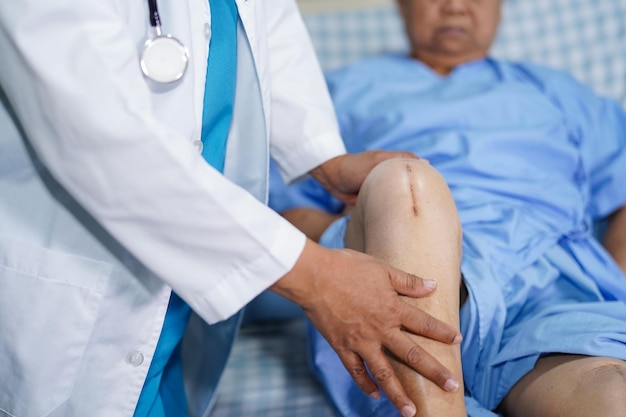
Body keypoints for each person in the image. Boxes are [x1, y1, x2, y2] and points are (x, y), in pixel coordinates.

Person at [0, 1, 465, 417]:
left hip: (176, 310)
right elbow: (96, 135)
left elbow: (267, 22)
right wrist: (316, 277)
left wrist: (322, 156)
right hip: (75, 289)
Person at [268, 0, 626, 415]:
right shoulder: (337, 93)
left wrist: (616, 280)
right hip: (398, 276)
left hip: (549, 287)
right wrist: (385, 225)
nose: (455, 6)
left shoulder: (555, 91)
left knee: (609, 394)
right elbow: (280, 220)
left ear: (500, 9)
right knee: (406, 182)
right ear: (401, 7)